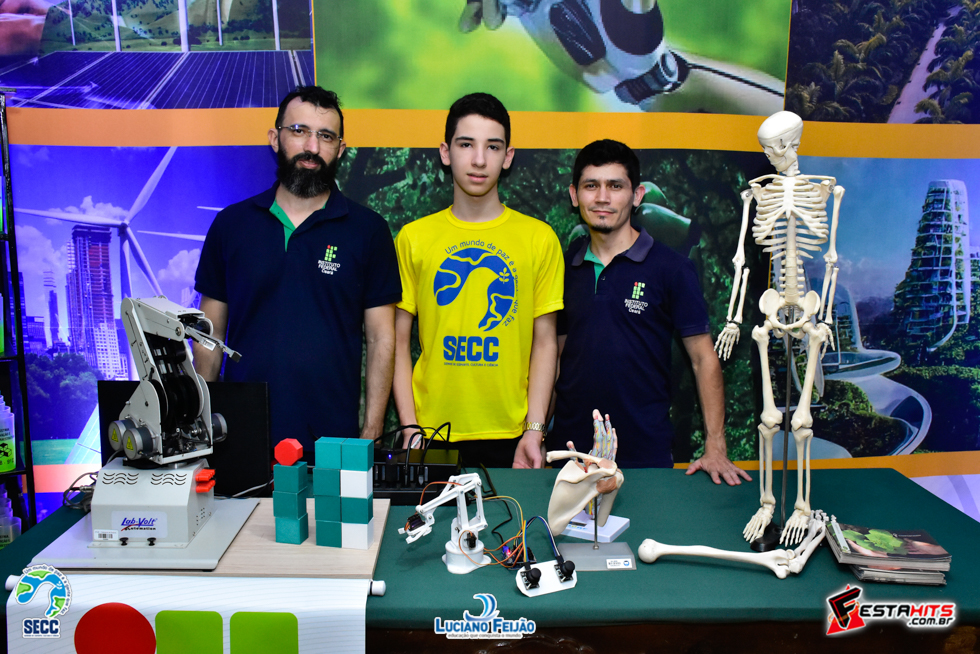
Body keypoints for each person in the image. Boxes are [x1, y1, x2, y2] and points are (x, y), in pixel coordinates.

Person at [193, 86, 400, 461]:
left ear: (340, 148)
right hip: (241, 436)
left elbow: (381, 337)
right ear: (275, 138)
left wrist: (372, 430)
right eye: (299, 131)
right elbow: (210, 334)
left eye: (326, 136)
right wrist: (201, 423)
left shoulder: (369, 230)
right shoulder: (231, 225)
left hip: (334, 441)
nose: (312, 147)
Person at [548, 139, 751, 485]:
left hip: (645, 452)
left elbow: (703, 358)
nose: (602, 197)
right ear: (574, 195)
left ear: (637, 195)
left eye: (615, 186)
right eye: (591, 186)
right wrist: (537, 432)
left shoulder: (672, 268)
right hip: (570, 452)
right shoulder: (563, 269)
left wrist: (716, 446)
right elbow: (555, 356)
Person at [393, 92, 564, 469]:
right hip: (432, 434)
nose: (479, 160)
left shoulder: (539, 238)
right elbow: (397, 341)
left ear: (508, 156)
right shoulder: (413, 238)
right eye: (466, 144)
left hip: (513, 436)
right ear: (445, 152)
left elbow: (545, 342)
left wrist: (535, 430)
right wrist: (410, 427)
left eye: (493, 146)